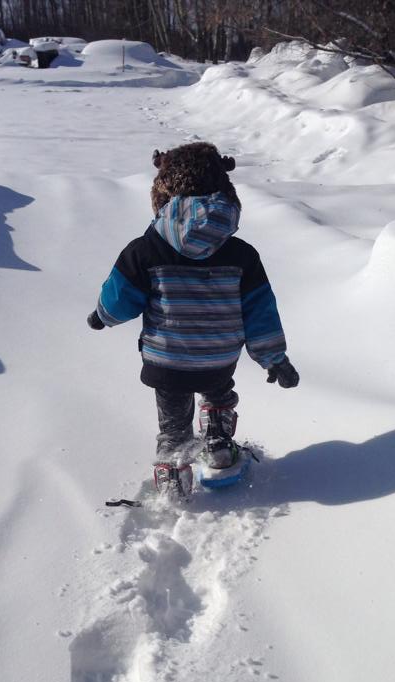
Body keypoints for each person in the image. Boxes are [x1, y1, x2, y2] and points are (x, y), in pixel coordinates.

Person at [87, 141, 299, 495]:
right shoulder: (242, 255)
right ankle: (218, 443)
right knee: (218, 393)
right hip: (218, 359)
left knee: (173, 422)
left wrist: (102, 316)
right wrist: (274, 358)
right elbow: (260, 311)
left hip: (166, 361)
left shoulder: (145, 250)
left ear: (162, 191)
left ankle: (172, 470)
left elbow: (121, 297)